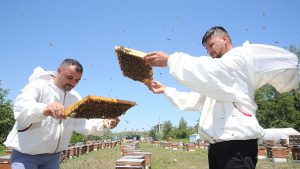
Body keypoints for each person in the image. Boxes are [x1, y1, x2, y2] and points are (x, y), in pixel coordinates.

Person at [144, 26, 299, 169]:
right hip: (218, 147)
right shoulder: (220, 81)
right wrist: (166, 90)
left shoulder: (237, 59)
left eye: (211, 45)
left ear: (225, 39)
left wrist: (171, 60)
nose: (209, 51)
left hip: (238, 147)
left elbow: (207, 71)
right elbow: (195, 100)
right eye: (206, 48)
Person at [4, 59, 120, 169]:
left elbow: (82, 124)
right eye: (69, 77)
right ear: (59, 71)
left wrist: (103, 124)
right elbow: (21, 109)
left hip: (53, 158)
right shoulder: (38, 86)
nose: (73, 83)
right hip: (26, 156)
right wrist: (45, 109)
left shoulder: (74, 97)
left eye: (77, 80)